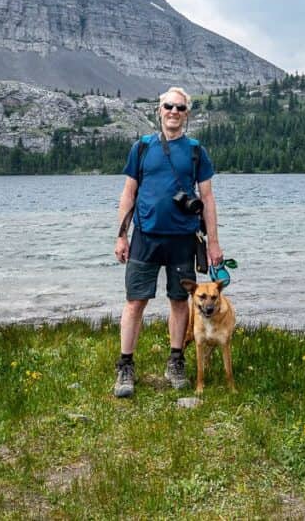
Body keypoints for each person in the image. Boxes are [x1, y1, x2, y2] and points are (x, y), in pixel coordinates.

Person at [112, 86, 222, 397]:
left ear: (187, 114)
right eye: (169, 107)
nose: (174, 112)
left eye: (180, 108)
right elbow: (128, 193)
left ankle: (175, 361)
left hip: (183, 240)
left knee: (178, 300)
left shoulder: (196, 151)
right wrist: (122, 235)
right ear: (159, 110)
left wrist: (213, 244)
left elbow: (208, 197)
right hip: (145, 237)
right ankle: (125, 367)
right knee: (135, 301)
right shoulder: (143, 148)